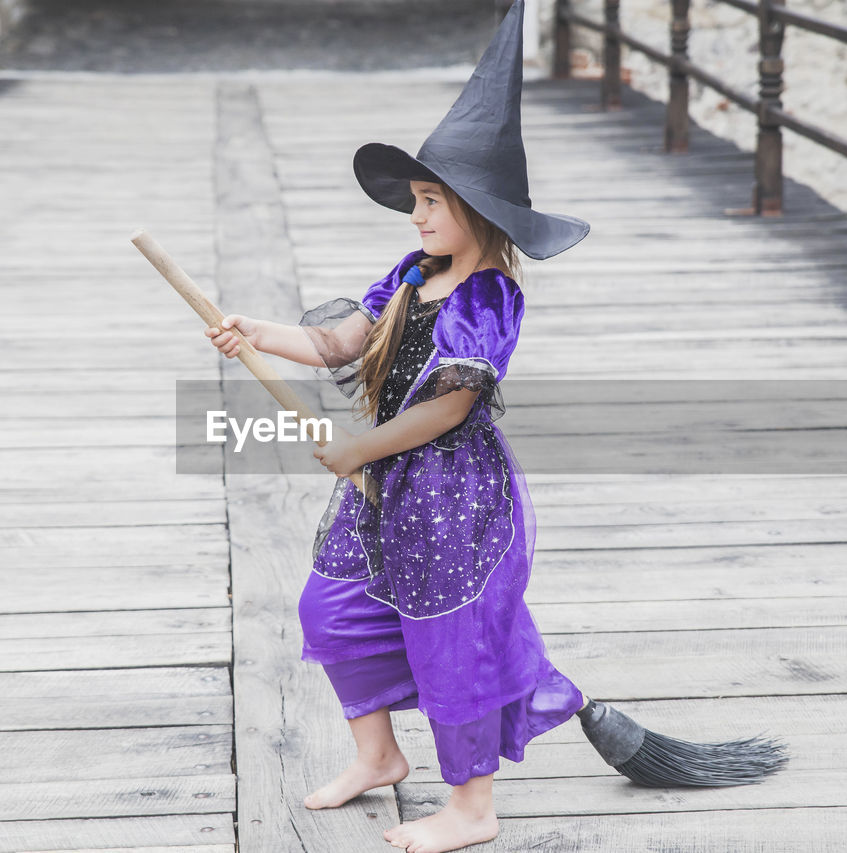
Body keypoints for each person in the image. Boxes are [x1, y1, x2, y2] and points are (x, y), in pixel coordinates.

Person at [205, 4, 596, 851]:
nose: (416, 216)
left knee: (452, 637)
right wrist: (255, 333)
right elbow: (341, 340)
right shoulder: (415, 272)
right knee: (333, 608)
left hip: (453, 492)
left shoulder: (488, 296)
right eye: (415, 200)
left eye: (432, 202)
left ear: (481, 210)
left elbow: (452, 402)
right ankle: (379, 756)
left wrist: (355, 447)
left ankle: (472, 807)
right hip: (385, 486)